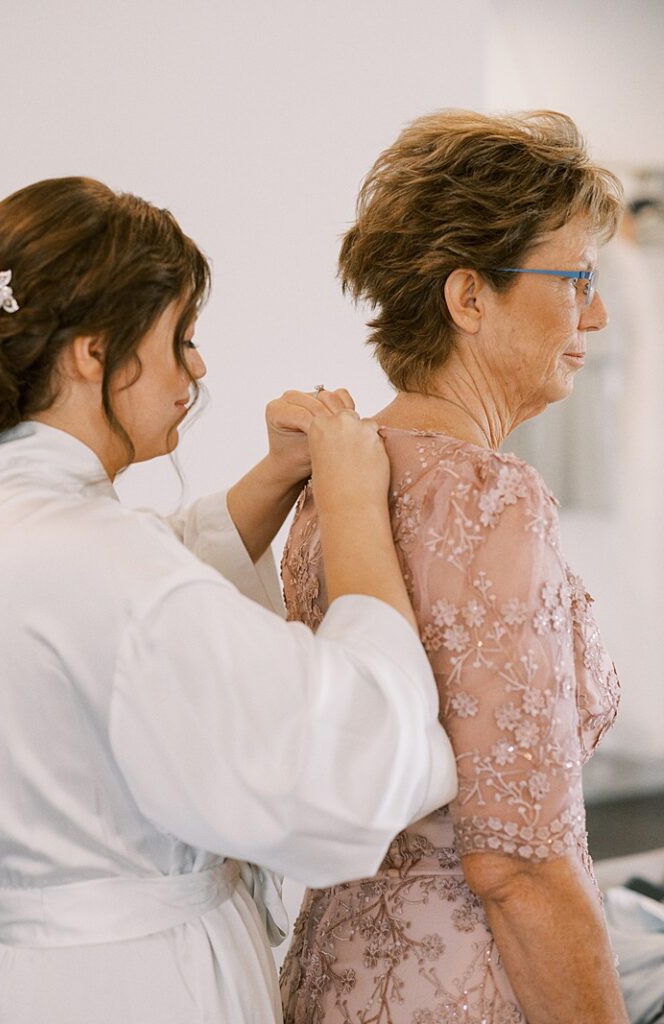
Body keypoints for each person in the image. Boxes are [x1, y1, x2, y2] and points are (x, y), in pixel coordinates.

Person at [0, 177, 457, 1024]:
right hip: (136, 990)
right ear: (93, 352)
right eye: (180, 338)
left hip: (25, 980)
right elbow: (338, 753)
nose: (196, 370)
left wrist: (275, 477)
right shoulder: (96, 558)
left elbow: (145, 592)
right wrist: (352, 502)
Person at [280, 111, 630, 1024]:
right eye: (577, 278)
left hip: (333, 972)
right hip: (459, 990)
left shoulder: (333, 475)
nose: (595, 313)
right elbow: (518, 861)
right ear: (469, 298)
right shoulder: (491, 496)